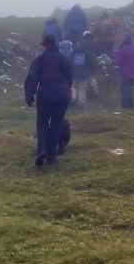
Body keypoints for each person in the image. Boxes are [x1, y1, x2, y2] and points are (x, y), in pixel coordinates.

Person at [24, 34, 73, 166]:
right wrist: (66, 91)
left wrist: (29, 95)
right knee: (57, 123)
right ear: (55, 44)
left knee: (42, 123)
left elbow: (32, 78)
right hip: (62, 96)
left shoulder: (39, 60)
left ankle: (42, 151)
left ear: (44, 45)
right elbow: (70, 79)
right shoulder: (64, 59)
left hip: (45, 96)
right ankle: (52, 156)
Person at [115, 34, 134, 109]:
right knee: (130, 89)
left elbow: (119, 61)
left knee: (125, 89)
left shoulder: (123, 50)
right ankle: (132, 105)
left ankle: (125, 105)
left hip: (126, 73)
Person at [72, 31, 95, 107]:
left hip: (75, 72)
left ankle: (73, 99)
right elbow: (89, 61)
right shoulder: (86, 51)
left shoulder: (74, 51)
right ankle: (81, 103)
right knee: (82, 88)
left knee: (74, 86)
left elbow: (70, 61)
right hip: (83, 72)